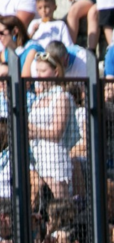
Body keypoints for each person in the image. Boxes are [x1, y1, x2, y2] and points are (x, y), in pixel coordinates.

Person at [27, 50, 74, 203]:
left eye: (43, 71)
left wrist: (34, 131)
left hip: (54, 157)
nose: (39, 75)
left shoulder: (61, 97)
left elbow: (57, 132)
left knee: (61, 203)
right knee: (39, 203)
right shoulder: (37, 99)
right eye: (37, 71)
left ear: (55, 72)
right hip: (36, 155)